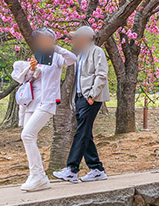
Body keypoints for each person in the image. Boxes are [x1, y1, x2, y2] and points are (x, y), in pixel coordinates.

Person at [10, 27, 76, 192]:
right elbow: (31, 80)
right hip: (32, 102)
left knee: (27, 134)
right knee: (28, 138)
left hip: (47, 103)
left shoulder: (57, 57)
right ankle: (37, 175)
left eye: (45, 38)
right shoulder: (37, 57)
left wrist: (55, 48)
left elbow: (73, 58)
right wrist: (32, 69)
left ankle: (38, 176)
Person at [52, 25, 110, 183]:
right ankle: (96, 168)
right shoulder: (81, 55)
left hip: (90, 98)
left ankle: (72, 169)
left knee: (81, 132)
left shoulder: (96, 51)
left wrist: (92, 95)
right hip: (80, 98)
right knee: (85, 133)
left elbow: (102, 74)